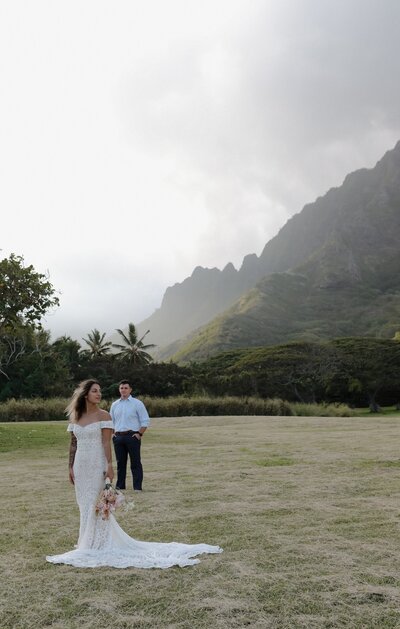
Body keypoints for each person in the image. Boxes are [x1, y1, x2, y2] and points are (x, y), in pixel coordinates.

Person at [46, 379, 222, 569]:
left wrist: (109, 466)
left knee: (95, 504)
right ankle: (86, 542)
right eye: (95, 391)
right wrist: (70, 467)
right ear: (85, 394)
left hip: (97, 464)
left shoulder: (103, 415)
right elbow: (73, 444)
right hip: (81, 465)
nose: (99, 394)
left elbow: (106, 443)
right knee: (84, 504)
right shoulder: (76, 416)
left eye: (100, 391)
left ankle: (98, 543)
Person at [110, 380, 150, 491]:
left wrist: (139, 433)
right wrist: (113, 434)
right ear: (119, 390)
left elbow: (145, 421)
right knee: (120, 463)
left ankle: (137, 487)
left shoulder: (137, 403)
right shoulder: (114, 405)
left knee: (135, 463)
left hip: (132, 436)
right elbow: (111, 421)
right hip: (118, 437)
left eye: (126, 388)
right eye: (121, 388)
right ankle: (120, 486)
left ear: (130, 390)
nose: (123, 390)